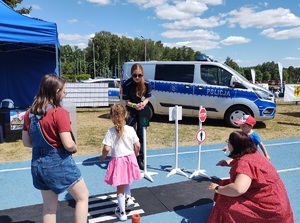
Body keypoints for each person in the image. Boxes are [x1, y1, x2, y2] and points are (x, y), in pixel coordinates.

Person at [22, 74, 89, 223]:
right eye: (64, 91)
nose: (64, 94)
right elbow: (68, 144)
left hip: (37, 165)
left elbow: (26, 142)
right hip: (58, 163)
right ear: (57, 91)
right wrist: (74, 147)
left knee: (49, 208)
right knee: (82, 197)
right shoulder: (59, 113)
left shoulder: (29, 114)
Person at [207, 131, 294, 223]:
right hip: (277, 201)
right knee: (225, 184)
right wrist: (229, 163)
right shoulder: (255, 153)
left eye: (228, 142)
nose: (227, 145)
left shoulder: (245, 163)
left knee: (224, 201)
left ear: (234, 146)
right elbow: (249, 165)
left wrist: (217, 188)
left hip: (269, 209)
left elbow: (238, 189)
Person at [100, 104, 142, 221]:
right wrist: (136, 153)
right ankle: (128, 198)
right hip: (130, 158)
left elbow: (107, 148)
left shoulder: (110, 132)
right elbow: (137, 145)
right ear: (125, 115)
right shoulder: (130, 129)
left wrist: (102, 157)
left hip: (118, 161)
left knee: (119, 188)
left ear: (112, 117)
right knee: (127, 179)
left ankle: (122, 212)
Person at [122, 63, 152, 170]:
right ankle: (129, 157)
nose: (137, 77)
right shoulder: (126, 84)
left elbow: (148, 98)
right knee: (129, 134)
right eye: (135, 75)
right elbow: (127, 101)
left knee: (141, 134)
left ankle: (140, 158)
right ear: (131, 74)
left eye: (140, 75)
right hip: (131, 110)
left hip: (143, 111)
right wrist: (135, 105)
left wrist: (143, 103)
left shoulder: (147, 84)